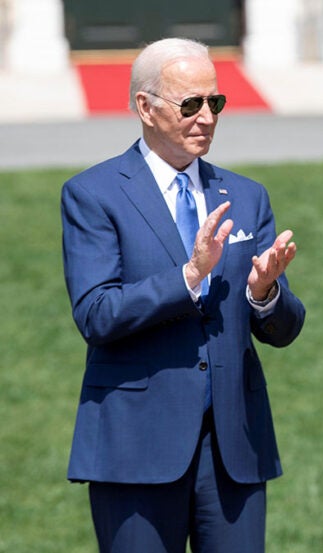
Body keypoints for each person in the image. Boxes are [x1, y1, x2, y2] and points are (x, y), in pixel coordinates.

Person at [60, 38, 305, 552]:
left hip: (234, 449)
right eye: (189, 104)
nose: (206, 117)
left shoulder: (246, 194)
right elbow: (97, 314)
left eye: (214, 102)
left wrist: (264, 294)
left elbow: (283, 329)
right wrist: (189, 275)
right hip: (135, 447)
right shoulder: (94, 194)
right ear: (144, 107)